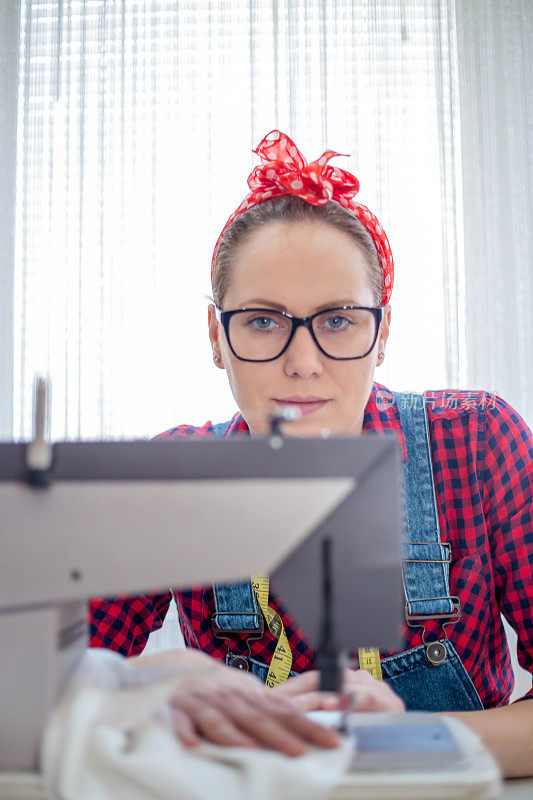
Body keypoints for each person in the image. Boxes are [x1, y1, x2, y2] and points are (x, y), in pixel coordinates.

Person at [90, 130, 533, 776]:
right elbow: (39, 700)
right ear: (217, 337)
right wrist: (146, 695)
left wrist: (408, 737)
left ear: (381, 333)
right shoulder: (176, 481)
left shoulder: (475, 443)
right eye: (263, 322)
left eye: (337, 321)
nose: (303, 365)